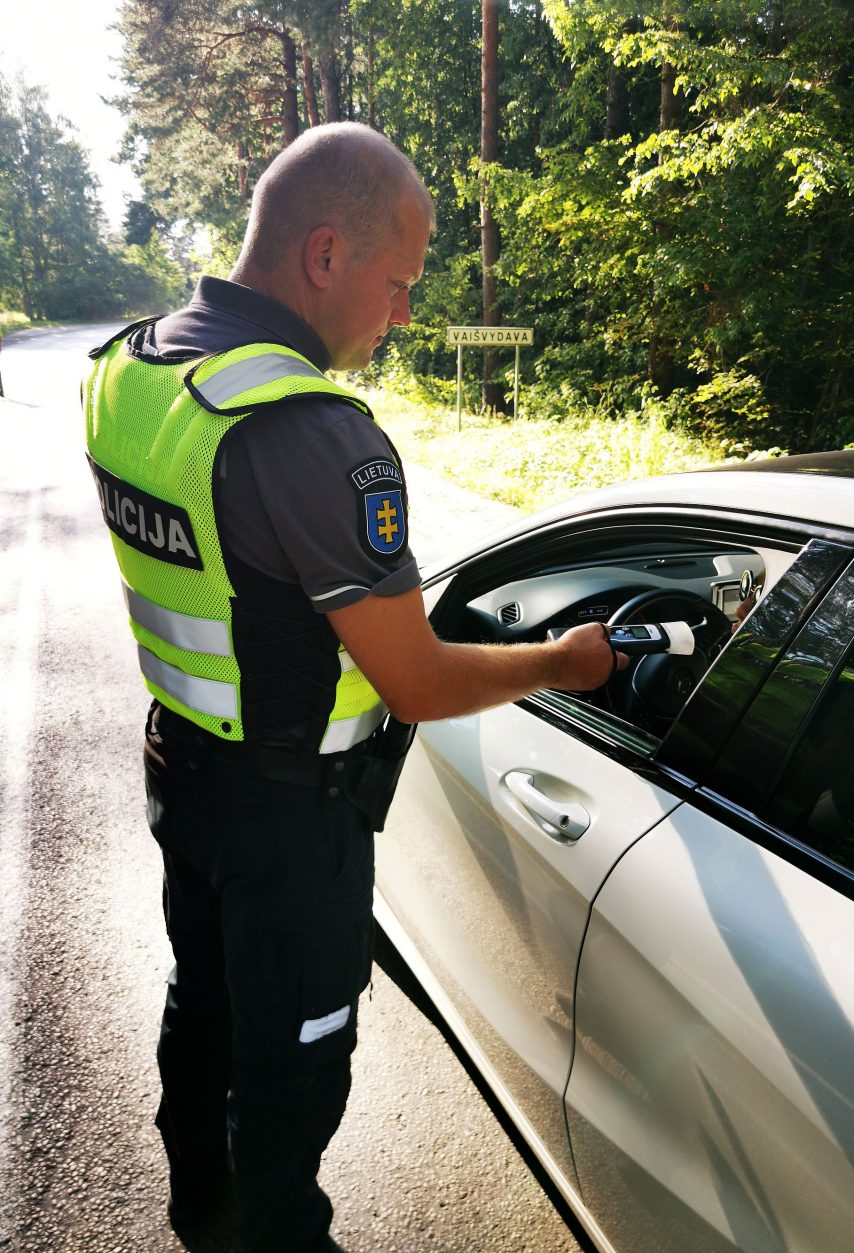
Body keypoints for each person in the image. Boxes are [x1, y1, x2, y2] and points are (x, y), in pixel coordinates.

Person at [84, 122, 622, 1253]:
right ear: (324, 255)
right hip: (289, 821)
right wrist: (565, 663)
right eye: (399, 284)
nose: (405, 315)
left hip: (181, 768)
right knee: (294, 1063)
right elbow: (416, 680)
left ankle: (200, 1207)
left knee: (206, 1000)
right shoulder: (310, 430)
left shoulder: (128, 371)